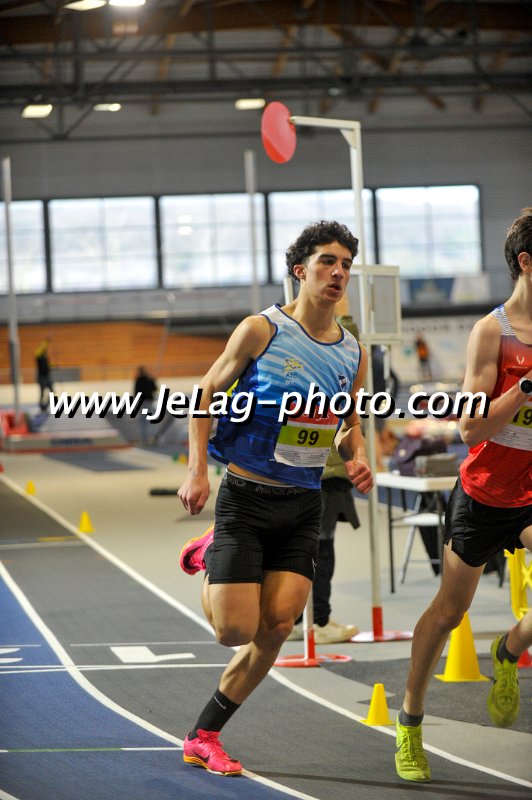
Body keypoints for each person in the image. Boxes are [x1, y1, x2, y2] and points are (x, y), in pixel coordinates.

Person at [177, 220, 374, 776]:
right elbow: (205, 393)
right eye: (327, 261)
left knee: (278, 628)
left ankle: (203, 735)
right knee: (233, 632)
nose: (338, 273)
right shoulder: (261, 330)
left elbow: (348, 423)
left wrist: (356, 455)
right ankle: (211, 549)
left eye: (346, 265)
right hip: (246, 496)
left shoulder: (353, 353)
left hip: (303, 504)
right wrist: (197, 471)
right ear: (300, 270)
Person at [395, 208, 532, 783]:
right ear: (526, 263)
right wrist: (524, 389)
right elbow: (469, 429)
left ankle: (509, 649)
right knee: (450, 612)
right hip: (484, 493)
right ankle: (409, 721)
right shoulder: (491, 333)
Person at [289, 441, 361, 644]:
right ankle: (319, 622)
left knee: (301, 552)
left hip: (301, 478)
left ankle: (299, 619)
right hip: (323, 479)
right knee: (321, 554)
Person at [133, 366, 158, 444]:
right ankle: (151, 438)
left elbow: (136, 392)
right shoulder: (148, 379)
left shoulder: (139, 380)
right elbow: (155, 388)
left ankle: (145, 438)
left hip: (142, 402)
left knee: (143, 421)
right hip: (148, 402)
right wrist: (153, 380)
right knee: (149, 420)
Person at [34, 336, 53, 411]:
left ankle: (47, 404)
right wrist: (46, 342)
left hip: (47, 376)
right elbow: (40, 349)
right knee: (42, 391)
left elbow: (48, 365)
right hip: (41, 376)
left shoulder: (45, 357)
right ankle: (41, 405)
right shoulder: (38, 355)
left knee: (51, 391)